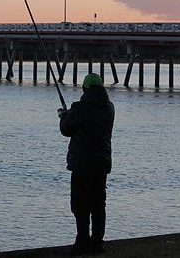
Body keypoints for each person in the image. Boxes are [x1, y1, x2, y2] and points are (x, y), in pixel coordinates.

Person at [58, 73, 114, 256]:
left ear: (85, 89)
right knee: (98, 205)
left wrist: (63, 116)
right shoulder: (110, 108)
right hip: (101, 164)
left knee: (80, 204)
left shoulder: (79, 108)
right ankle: (97, 243)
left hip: (81, 165)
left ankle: (82, 241)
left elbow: (66, 129)